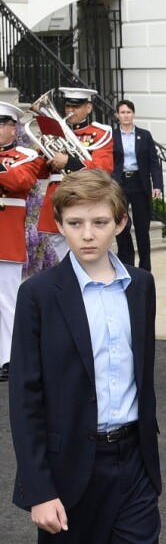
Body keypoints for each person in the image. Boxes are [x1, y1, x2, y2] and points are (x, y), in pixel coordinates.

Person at [9, 169, 162, 543]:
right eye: (75, 223)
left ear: (121, 223)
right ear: (60, 225)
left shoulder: (141, 286)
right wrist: (39, 490)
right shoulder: (38, 295)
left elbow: (142, 374)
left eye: (100, 222)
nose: (88, 234)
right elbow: (24, 398)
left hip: (134, 464)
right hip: (69, 469)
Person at [37, 87, 113, 260]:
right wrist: (42, 153)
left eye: (76, 106)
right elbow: (40, 174)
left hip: (85, 198)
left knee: (85, 255)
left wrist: (69, 162)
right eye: (68, 106)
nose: (70, 110)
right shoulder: (54, 134)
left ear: (88, 108)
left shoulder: (100, 134)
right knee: (58, 261)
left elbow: (104, 168)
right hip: (55, 200)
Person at [0, 102, 44, 382]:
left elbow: (20, 182)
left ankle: (9, 358)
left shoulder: (25, 154)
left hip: (6, 236)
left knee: (7, 301)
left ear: (11, 128)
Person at [112, 99, 163, 272]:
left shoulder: (144, 135)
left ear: (133, 114)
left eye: (129, 112)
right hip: (120, 184)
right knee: (121, 226)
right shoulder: (112, 135)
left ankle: (145, 268)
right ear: (117, 115)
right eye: (122, 112)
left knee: (142, 227)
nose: (126, 115)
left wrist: (157, 185)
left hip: (140, 183)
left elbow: (154, 162)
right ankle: (126, 266)